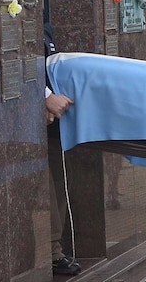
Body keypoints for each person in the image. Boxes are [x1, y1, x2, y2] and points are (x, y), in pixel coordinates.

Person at [44, 20, 81, 276]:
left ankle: (54, 251)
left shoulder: (44, 27)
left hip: (53, 122)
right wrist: (44, 98)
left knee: (56, 183)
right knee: (47, 185)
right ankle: (51, 253)